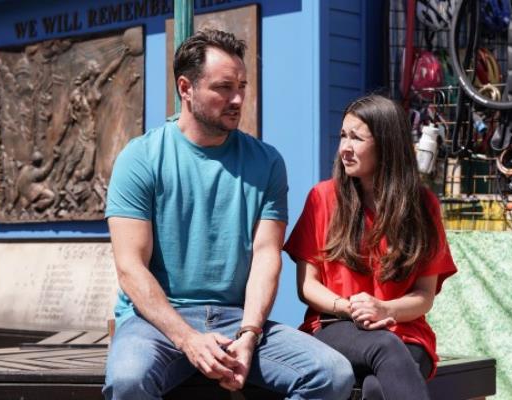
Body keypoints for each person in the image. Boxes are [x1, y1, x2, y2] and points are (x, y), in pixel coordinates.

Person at [102, 29, 354, 400]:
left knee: (331, 374)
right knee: (128, 381)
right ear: (185, 88)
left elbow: (267, 256)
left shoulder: (266, 162)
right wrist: (188, 339)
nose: (237, 98)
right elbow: (130, 268)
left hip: (237, 319)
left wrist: (250, 335)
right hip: (155, 321)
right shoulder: (140, 158)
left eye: (242, 86)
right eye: (223, 87)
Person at [284, 94, 457, 400]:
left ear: (386, 145)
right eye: (342, 136)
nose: (344, 148)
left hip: (405, 331)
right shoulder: (322, 197)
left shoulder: (423, 205)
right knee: (384, 346)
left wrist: (385, 309)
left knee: (376, 389)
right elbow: (307, 286)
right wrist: (349, 308)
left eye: (356, 138)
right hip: (334, 326)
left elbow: (424, 295)